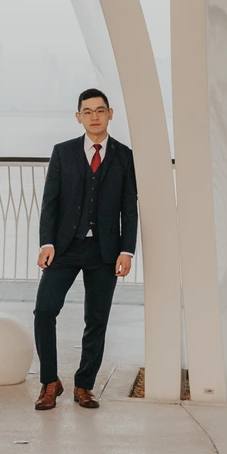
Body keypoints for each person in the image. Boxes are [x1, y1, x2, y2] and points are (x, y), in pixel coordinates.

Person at [32, 88, 136, 410]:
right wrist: (47, 243)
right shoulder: (63, 152)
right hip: (65, 248)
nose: (94, 117)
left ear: (110, 114)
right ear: (79, 117)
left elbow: (129, 207)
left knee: (97, 319)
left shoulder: (124, 156)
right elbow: (50, 203)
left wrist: (127, 251)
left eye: (100, 110)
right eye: (87, 111)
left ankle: (84, 385)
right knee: (44, 311)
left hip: (105, 251)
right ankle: (50, 382)